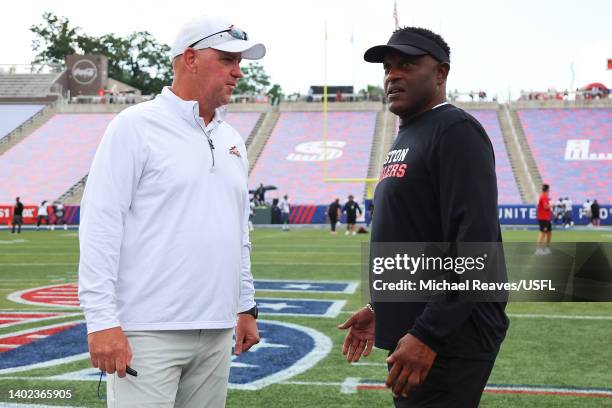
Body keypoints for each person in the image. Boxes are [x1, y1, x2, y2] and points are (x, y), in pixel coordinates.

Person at [78, 15, 265, 407]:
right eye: (227, 59)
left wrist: (246, 306)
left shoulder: (232, 138)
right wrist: (101, 321)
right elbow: (100, 225)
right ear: (191, 58)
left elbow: (238, 231)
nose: (237, 72)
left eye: (240, 62)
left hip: (216, 330)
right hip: (148, 331)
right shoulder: (135, 126)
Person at [339, 27, 509, 407]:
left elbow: (475, 243)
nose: (392, 75)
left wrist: (430, 334)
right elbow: (418, 234)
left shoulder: (455, 130)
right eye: (387, 67)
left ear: (441, 73)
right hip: (421, 327)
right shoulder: (411, 133)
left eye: (406, 64)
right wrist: (382, 306)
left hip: (450, 335)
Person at [536, 184, 552, 255]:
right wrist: (552, 205)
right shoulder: (543, 197)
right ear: (547, 189)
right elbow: (546, 207)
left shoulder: (544, 197)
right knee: (542, 233)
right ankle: (538, 250)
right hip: (543, 218)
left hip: (546, 218)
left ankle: (547, 248)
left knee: (549, 233)